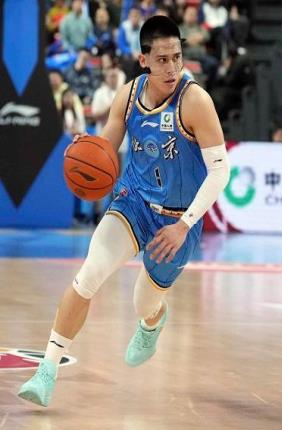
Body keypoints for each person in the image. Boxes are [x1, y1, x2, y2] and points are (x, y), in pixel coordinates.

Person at [18, 15, 230, 407]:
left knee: (142, 303)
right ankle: (46, 371)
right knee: (89, 274)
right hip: (134, 202)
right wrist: (88, 152)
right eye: (162, 59)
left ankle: (152, 322)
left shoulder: (195, 100)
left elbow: (221, 171)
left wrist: (184, 225)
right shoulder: (128, 95)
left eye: (177, 57)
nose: (172, 67)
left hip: (177, 220)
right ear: (143, 59)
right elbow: (105, 151)